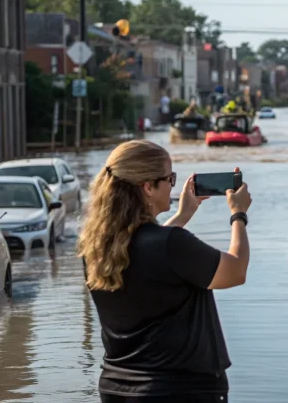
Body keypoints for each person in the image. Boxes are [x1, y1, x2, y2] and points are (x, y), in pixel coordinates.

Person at [78, 140, 253, 403]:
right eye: (169, 178)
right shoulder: (171, 244)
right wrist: (238, 214)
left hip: (117, 389)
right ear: (148, 187)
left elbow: (150, 250)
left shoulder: (96, 248)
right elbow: (236, 270)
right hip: (181, 390)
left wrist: (184, 214)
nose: (173, 184)